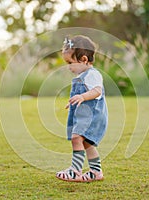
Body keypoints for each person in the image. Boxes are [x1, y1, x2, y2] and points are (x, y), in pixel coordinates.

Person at [56, 35, 108, 182]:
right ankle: (96, 172)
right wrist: (75, 100)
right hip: (84, 115)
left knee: (76, 138)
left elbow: (97, 91)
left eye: (70, 63)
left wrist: (82, 97)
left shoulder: (92, 75)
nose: (69, 67)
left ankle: (75, 171)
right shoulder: (83, 75)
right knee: (86, 143)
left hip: (92, 116)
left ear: (84, 60)